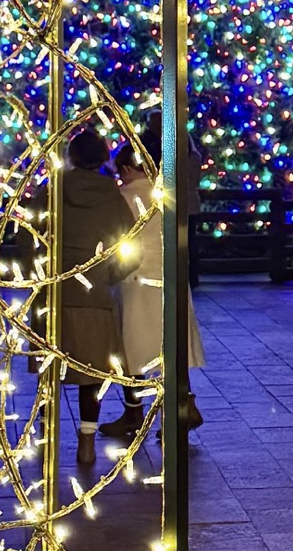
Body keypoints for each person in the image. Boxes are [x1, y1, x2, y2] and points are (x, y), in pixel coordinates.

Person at [21, 129, 138, 465]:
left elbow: (28, 236)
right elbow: (130, 248)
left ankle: (47, 437)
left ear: (71, 156)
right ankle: (86, 443)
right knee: (90, 376)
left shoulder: (51, 191)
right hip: (95, 297)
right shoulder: (112, 196)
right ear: (103, 158)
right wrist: (106, 276)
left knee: (50, 372)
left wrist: (38, 275)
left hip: (53, 294)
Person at [100, 141, 206, 438]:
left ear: (125, 168)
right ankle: (182, 406)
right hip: (170, 278)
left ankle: (134, 412)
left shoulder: (122, 197)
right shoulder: (167, 196)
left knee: (132, 352)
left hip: (136, 283)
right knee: (172, 350)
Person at [140, 110, 204, 288]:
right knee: (188, 241)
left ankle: (187, 275)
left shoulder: (167, 153)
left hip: (179, 203)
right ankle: (191, 276)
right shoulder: (191, 155)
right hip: (188, 204)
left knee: (183, 241)